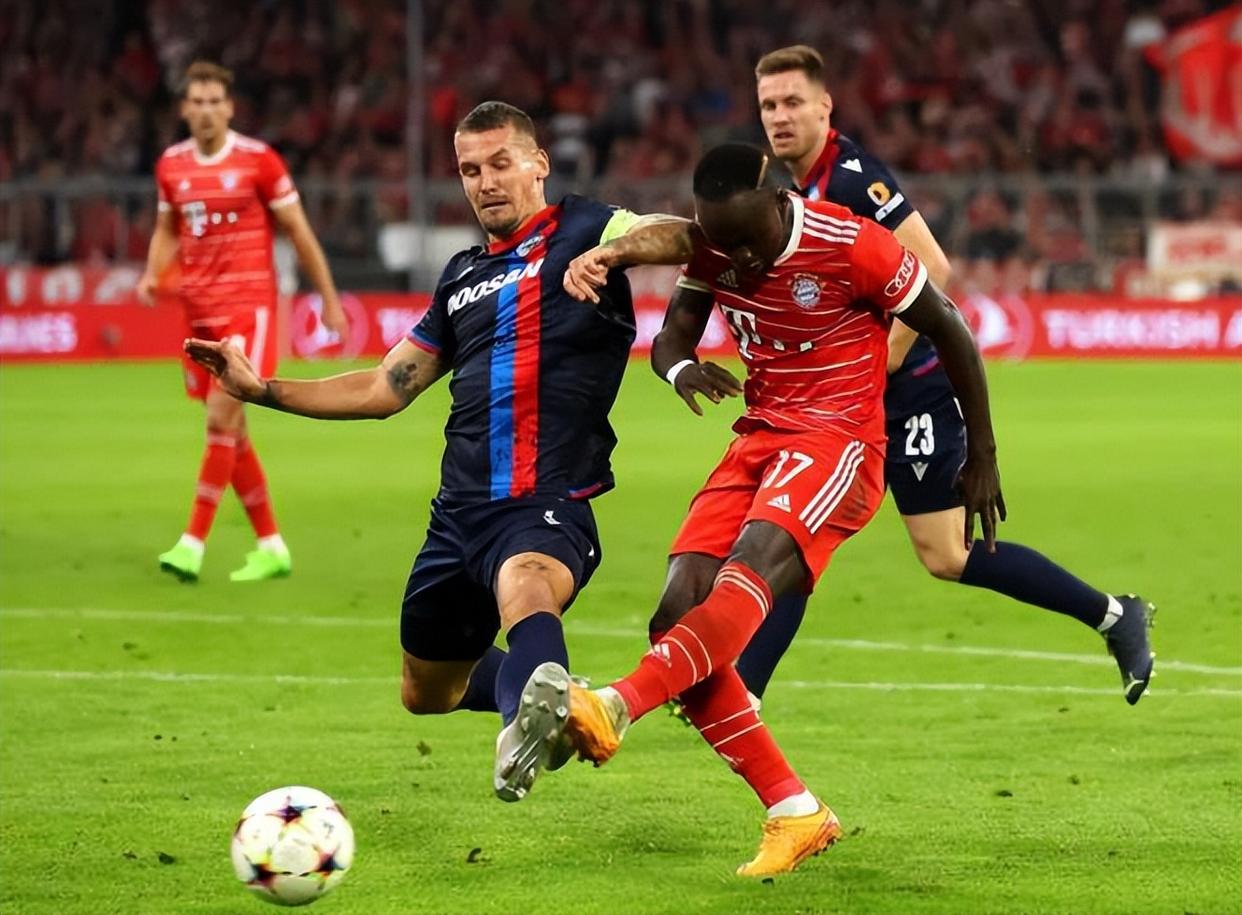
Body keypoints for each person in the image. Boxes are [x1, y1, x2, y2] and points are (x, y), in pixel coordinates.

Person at [183, 101, 688, 803]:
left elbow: (685, 235)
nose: (486, 182)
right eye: (470, 170)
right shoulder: (460, 277)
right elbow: (383, 386)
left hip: (544, 499)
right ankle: (546, 700)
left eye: (501, 163)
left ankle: (523, 724)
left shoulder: (585, 228)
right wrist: (262, 389)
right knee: (426, 690)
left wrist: (614, 252)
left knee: (526, 586)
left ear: (538, 164)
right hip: (456, 518)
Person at [527, 143, 1004, 876]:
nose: (739, 260)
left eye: (749, 242)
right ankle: (795, 809)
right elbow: (672, 336)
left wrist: (982, 454)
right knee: (675, 615)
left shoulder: (853, 245)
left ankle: (617, 703)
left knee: (746, 572)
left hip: (839, 440)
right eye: (725, 244)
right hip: (758, 439)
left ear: (784, 203)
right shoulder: (716, 245)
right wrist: (681, 368)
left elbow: (950, 326)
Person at [737, 45, 1154, 704]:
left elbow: (932, 267)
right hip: (851, 402)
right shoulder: (791, 184)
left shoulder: (852, 179)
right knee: (798, 532)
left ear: (825, 107)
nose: (780, 116)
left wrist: (882, 361)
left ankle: (1113, 614)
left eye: (793, 102)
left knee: (946, 553)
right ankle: (743, 692)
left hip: (911, 390)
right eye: (769, 105)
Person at [139, 60, 348, 583]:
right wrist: (151, 273)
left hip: (247, 310)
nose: (207, 111)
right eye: (198, 102)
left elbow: (298, 231)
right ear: (184, 109)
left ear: (230, 107)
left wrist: (328, 298)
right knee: (233, 432)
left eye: (216, 101)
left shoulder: (259, 161)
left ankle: (191, 544)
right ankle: (271, 545)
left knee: (219, 419)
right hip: (198, 313)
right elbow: (167, 228)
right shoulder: (171, 166)